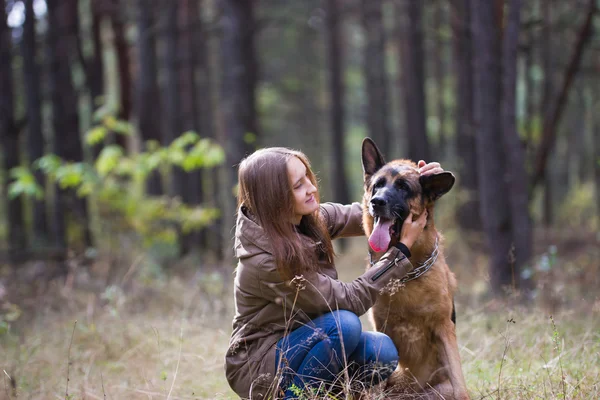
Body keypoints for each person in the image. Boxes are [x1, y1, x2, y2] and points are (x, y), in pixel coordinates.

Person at [225, 147, 444, 399]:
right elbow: (349, 299)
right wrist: (400, 252)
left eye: (308, 177)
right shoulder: (266, 260)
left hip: (309, 344)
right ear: (274, 197)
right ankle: (296, 396)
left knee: (382, 351)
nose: (311, 188)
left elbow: (360, 212)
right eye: (298, 185)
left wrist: (420, 184)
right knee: (345, 325)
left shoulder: (304, 218)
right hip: (260, 364)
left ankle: (334, 395)